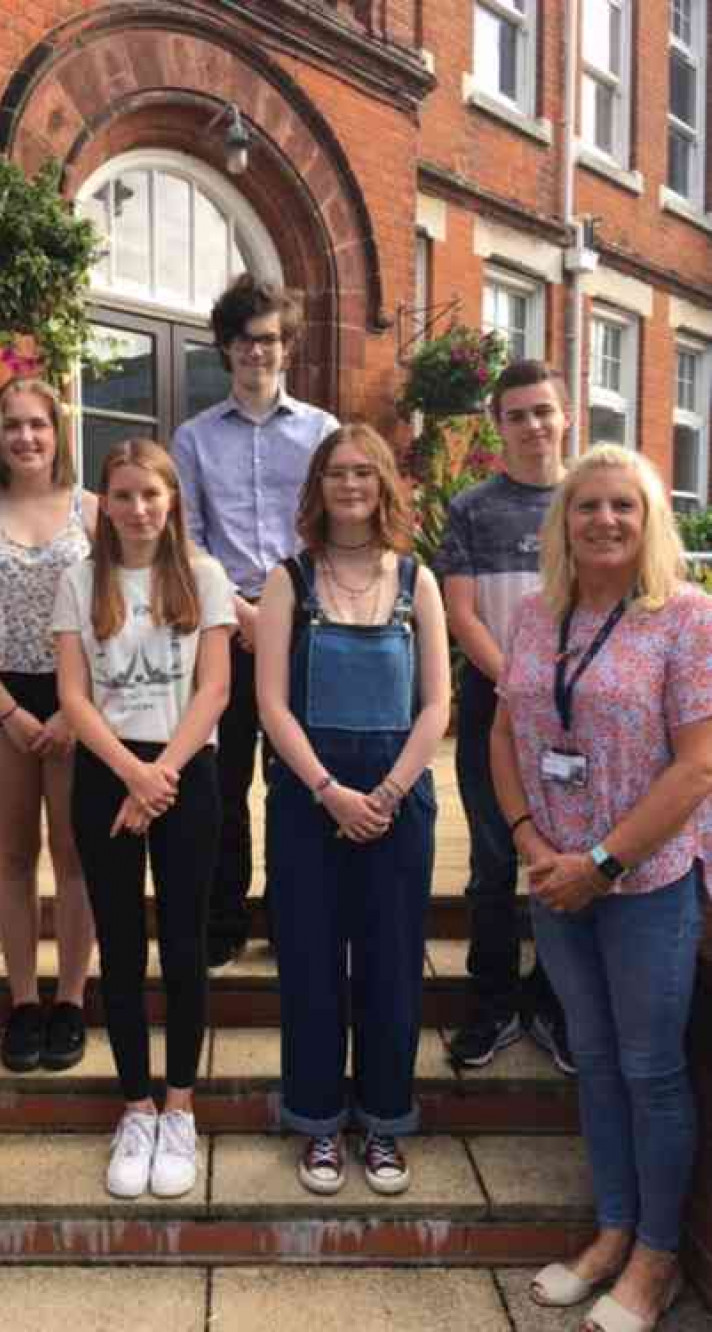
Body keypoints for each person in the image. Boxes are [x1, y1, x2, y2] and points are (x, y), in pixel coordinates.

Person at [490, 445, 712, 1332]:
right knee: (594, 1058)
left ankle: (657, 1257)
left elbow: (698, 769)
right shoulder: (539, 617)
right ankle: (613, 1230)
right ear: (565, 520)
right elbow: (505, 736)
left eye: (625, 505)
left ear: (651, 518)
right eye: (589, 506)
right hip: (555, 877)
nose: (606, 520)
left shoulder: (686, 618)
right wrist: (530, 841)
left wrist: (604, 864)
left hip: (645, 882)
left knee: (652, 1068)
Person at [257, 423, 451, 1194]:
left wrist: (389, 793)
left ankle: (383, 1122)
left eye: (363, 474)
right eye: (336, 473)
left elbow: (438, 705)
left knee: (392, 967)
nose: (350, 486)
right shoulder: (288, 582)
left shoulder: (416, 582)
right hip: (309, 801)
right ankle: (316, 1124)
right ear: (318, 486)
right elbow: (271, 705)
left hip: (398, 801)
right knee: (308, 963)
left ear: (383, 486)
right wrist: (330, 792)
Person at [54, 439, 235, 1199]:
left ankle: (181, 1107)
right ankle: (136, 1105)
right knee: (122, 947)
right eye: (123, 496)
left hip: (187, 772)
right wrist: (132, 774)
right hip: (106, 774)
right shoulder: (79, 578)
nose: (136, 510)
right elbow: (72, 696)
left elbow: (217, 688)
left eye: (150, 496)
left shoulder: (204, 576)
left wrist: (160, 776)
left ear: (171, 502)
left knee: (185, 946)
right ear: (106, 502)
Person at [172, 274, 339, 966]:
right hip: (228, 626)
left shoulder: (324, 431)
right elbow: (185, 536)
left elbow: (335, 524)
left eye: (268, 339)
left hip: (308, 626)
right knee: (226, 777)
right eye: (243, 340)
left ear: (287, 345)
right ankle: (223, 917)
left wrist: (288, 609)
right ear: (225, 348)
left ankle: (294, 913)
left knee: (298, 777)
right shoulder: (194, 438)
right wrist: (241, 613)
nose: (256, 352)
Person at [0, 376, 97, 1073]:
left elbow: (115, 618)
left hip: (77, 703)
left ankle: (70, 998)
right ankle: (23, 1000)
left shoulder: (92, 513)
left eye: (38, 423)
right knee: (13, 857)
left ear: (57, 431)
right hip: (0, 700)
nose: (27, 436)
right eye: (13, 425)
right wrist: (2, 706)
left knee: (74, 858)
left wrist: (73, 710)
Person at [435, 359, 572, 1072]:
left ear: (566, 415)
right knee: (493, 862)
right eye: (516, 414)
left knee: (561, 853)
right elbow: (461, 612)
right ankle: (490, 1003)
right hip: (500, 702)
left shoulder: (592, 498)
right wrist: (521, 683)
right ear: (497, 426)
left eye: (542, 411)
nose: (531, 425)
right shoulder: (472, 509)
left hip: (583, 712)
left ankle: (554, 1003)